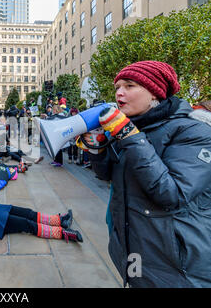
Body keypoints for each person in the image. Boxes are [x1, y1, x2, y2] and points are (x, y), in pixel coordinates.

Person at [79, 61, 211, 288]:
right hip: (137, 253)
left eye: (130, 86)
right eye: (118, 87)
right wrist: (97, 148)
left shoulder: (195, 132)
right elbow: (106, 175)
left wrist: (128, 135)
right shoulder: (131, 128)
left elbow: (172, 195)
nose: (119, 92)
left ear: (154, 94)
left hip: (178, 266)